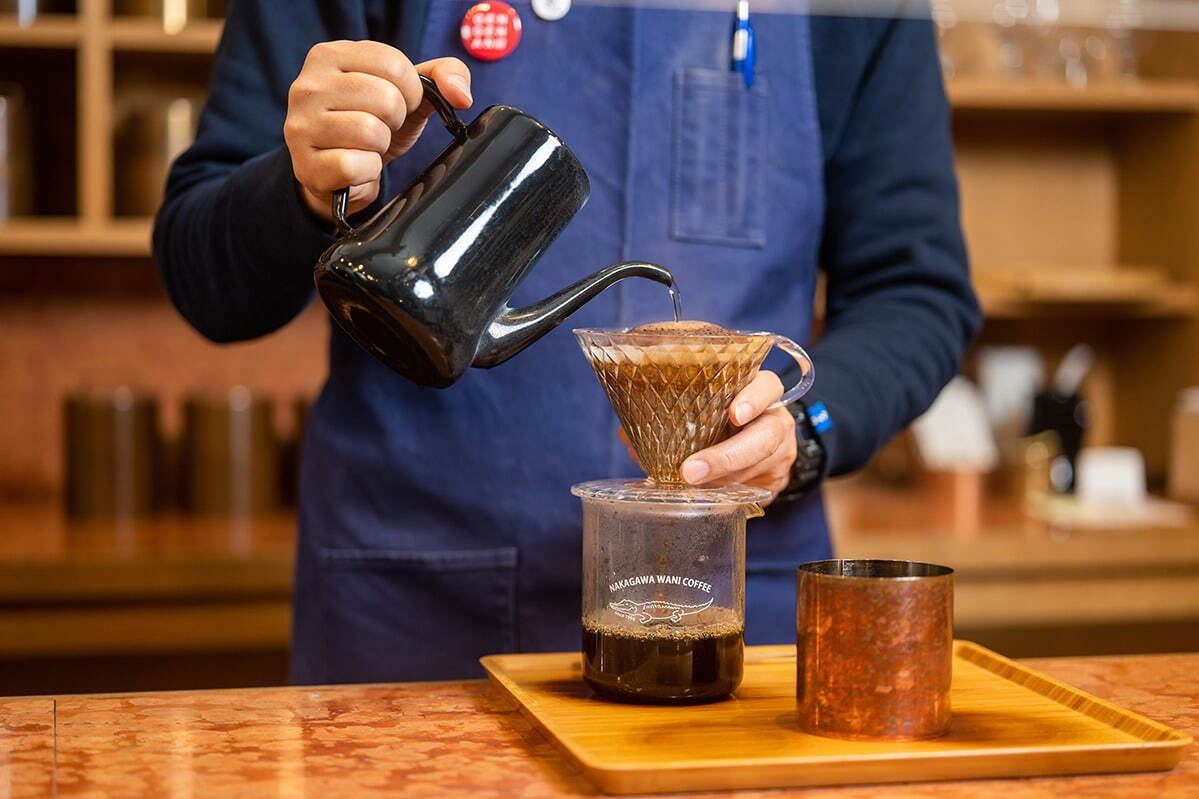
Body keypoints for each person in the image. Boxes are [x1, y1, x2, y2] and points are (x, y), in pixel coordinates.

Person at [155, 0, 980, 683]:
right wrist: (301, 187)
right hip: (408, 613)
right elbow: (206, 281)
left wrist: (804, 432)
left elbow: (915, 291)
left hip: (727, 605)